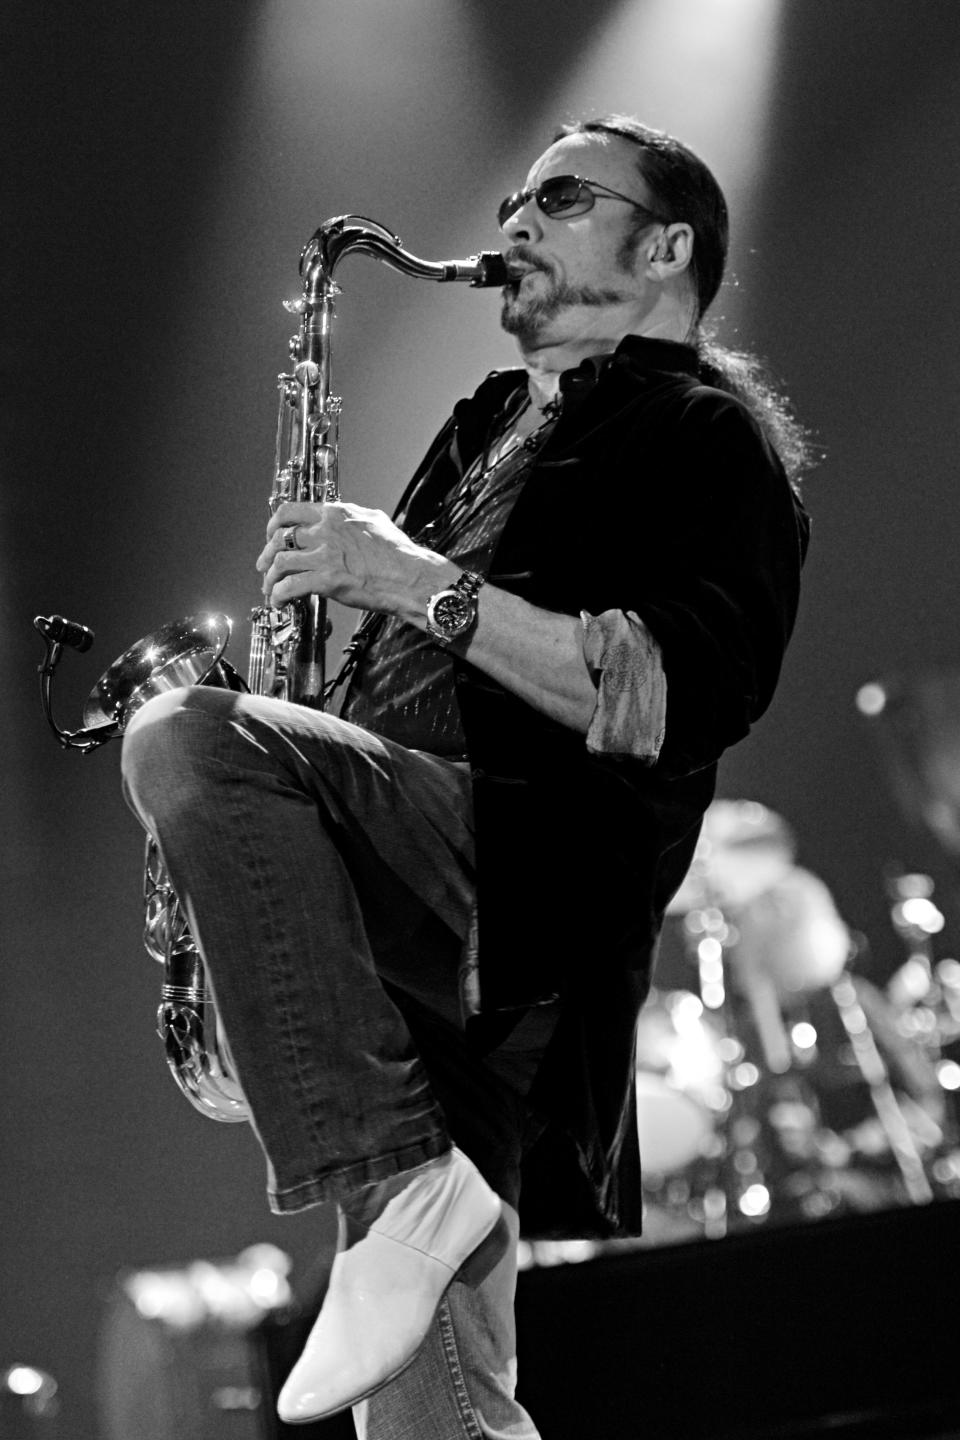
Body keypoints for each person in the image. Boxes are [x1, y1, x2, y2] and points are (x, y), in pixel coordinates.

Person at [121, 115, 811, 1438]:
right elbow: (412, 667)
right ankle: (412, 1176)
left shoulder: (706, 438)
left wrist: (400, 579)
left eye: (558, 199)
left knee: (189, 737)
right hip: (420, 913)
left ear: (666, 246)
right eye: (511, 199)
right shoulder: (488, 421)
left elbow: (667, 699)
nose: (513, 228)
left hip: (531, 873)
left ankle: (402, 1174)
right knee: (435, 1413)